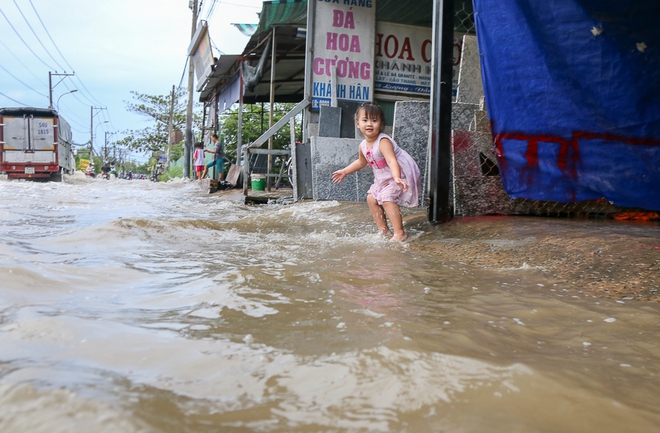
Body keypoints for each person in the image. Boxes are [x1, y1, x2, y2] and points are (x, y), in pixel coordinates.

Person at [332, 103, 421, 242]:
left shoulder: (383, 141)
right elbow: (361, 162)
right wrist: (345, 171)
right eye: (365, 120)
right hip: (382, 178)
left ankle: (399, 233)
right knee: (371, 199)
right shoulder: (362, 145)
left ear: (381, 124)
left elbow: (392, 161)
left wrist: (397, 177)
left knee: (386, 199)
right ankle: (384, 231)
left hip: (396, 175)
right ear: (357, 123)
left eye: (374, 120)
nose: (369, 124)